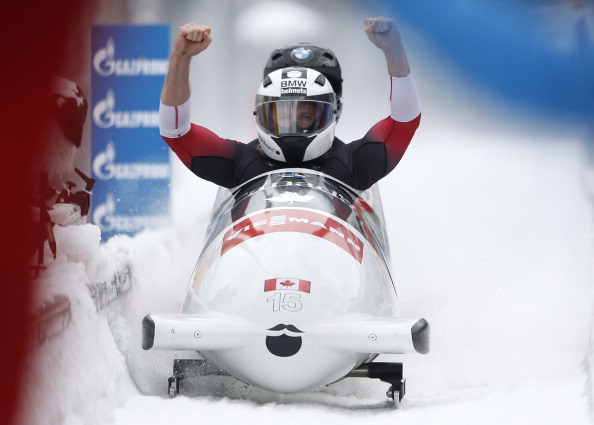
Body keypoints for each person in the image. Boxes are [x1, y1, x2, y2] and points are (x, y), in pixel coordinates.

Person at [159, 16, 421, 191]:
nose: (293, 125)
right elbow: (177, 132)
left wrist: (394, 50)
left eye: (306, 116)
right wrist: (180, 58)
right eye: (282, 116)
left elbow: (404, 121)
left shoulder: (354, 163)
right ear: (261, 115)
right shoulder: (240, 162)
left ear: (331, 114)